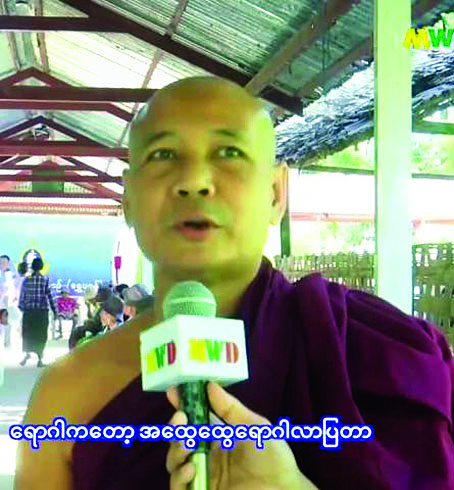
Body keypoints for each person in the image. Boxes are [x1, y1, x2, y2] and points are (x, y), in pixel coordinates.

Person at [16, 77, 454, 490]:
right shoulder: (68, 394)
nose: (194, 181)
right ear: (127, 198)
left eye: (229, 152)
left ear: (276, 193)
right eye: (163, 155)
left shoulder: (376, 352)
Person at [18, 257, 56, 368]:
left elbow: (22, 297)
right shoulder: (45, 280)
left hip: (29, 312)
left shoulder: (26, 280)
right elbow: (50, 296)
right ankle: (39, 359)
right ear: (41, 267)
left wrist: (22, 308)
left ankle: (27, 354)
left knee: (28, 334)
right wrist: (55, 311)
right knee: (41, 334)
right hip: (41, 312)